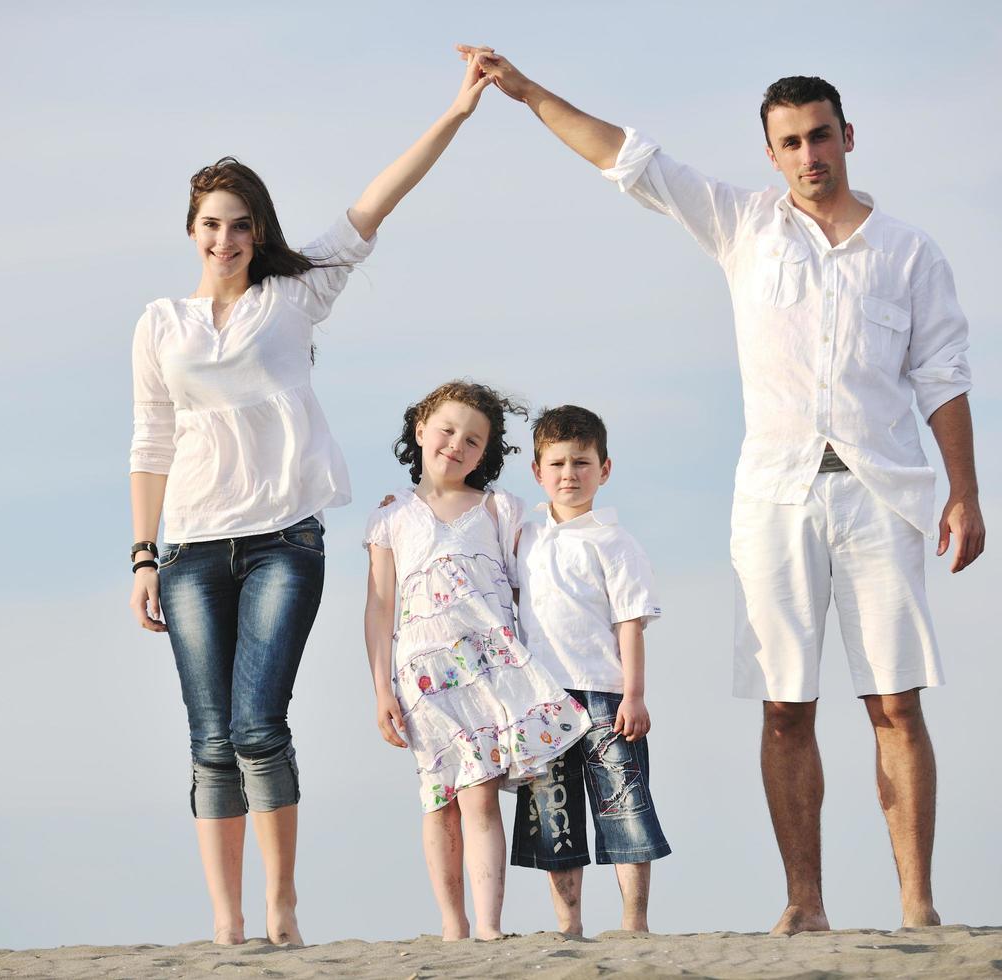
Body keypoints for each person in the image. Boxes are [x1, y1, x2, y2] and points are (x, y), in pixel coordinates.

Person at [458, 45, 986, 934]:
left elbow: (944, 376)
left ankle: (917, 905)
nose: (809, 154)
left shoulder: (909, 252)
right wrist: (525, 91)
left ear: (848, 136)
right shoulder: (743, 224)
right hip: (774, 498)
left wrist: (963, 493)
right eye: (790, 142)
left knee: (896, 702)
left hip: (881, 495)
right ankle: (805, 902)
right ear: (771, 153)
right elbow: (629, 159)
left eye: (821, 136)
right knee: (787, 707)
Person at [126, 58, 495, 946]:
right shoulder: (160, 326)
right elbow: (151, 445)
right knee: (210, 737)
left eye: (241, 225)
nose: (226, 239)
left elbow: (377, 201)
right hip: (188, 550)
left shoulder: (294, 296)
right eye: (212, 225)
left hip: (284, 543)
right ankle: (228, 922)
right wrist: (142, 555)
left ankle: (282, 906)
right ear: (191, 230)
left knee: (259, 723)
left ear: (259, 232)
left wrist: (455, 111)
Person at [363, 381, 592, 941]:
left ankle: (488, 925)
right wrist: (381, 689)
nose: (456, 445)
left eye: (474, 439)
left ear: (486, 452)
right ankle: (452, 924)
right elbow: (378, 609)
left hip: (493, 673)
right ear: (420, 430)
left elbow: (532, 590)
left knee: (481, 792)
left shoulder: (500, 508)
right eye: (447, 430)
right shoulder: (390, 517)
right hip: (424, 679)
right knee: (439, 797)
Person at [509, 405, 669, 935]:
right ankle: (568, 926)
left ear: (604, 468)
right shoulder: (524, 539)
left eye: (581, 462)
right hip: (542, 700)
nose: (568, 475)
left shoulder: (615, 543)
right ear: (538, 471)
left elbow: (631, 624)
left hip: (605, 695)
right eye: (556, 464)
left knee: (623, 805)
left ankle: (633, 922)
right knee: (553, 817)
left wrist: (635, 695)